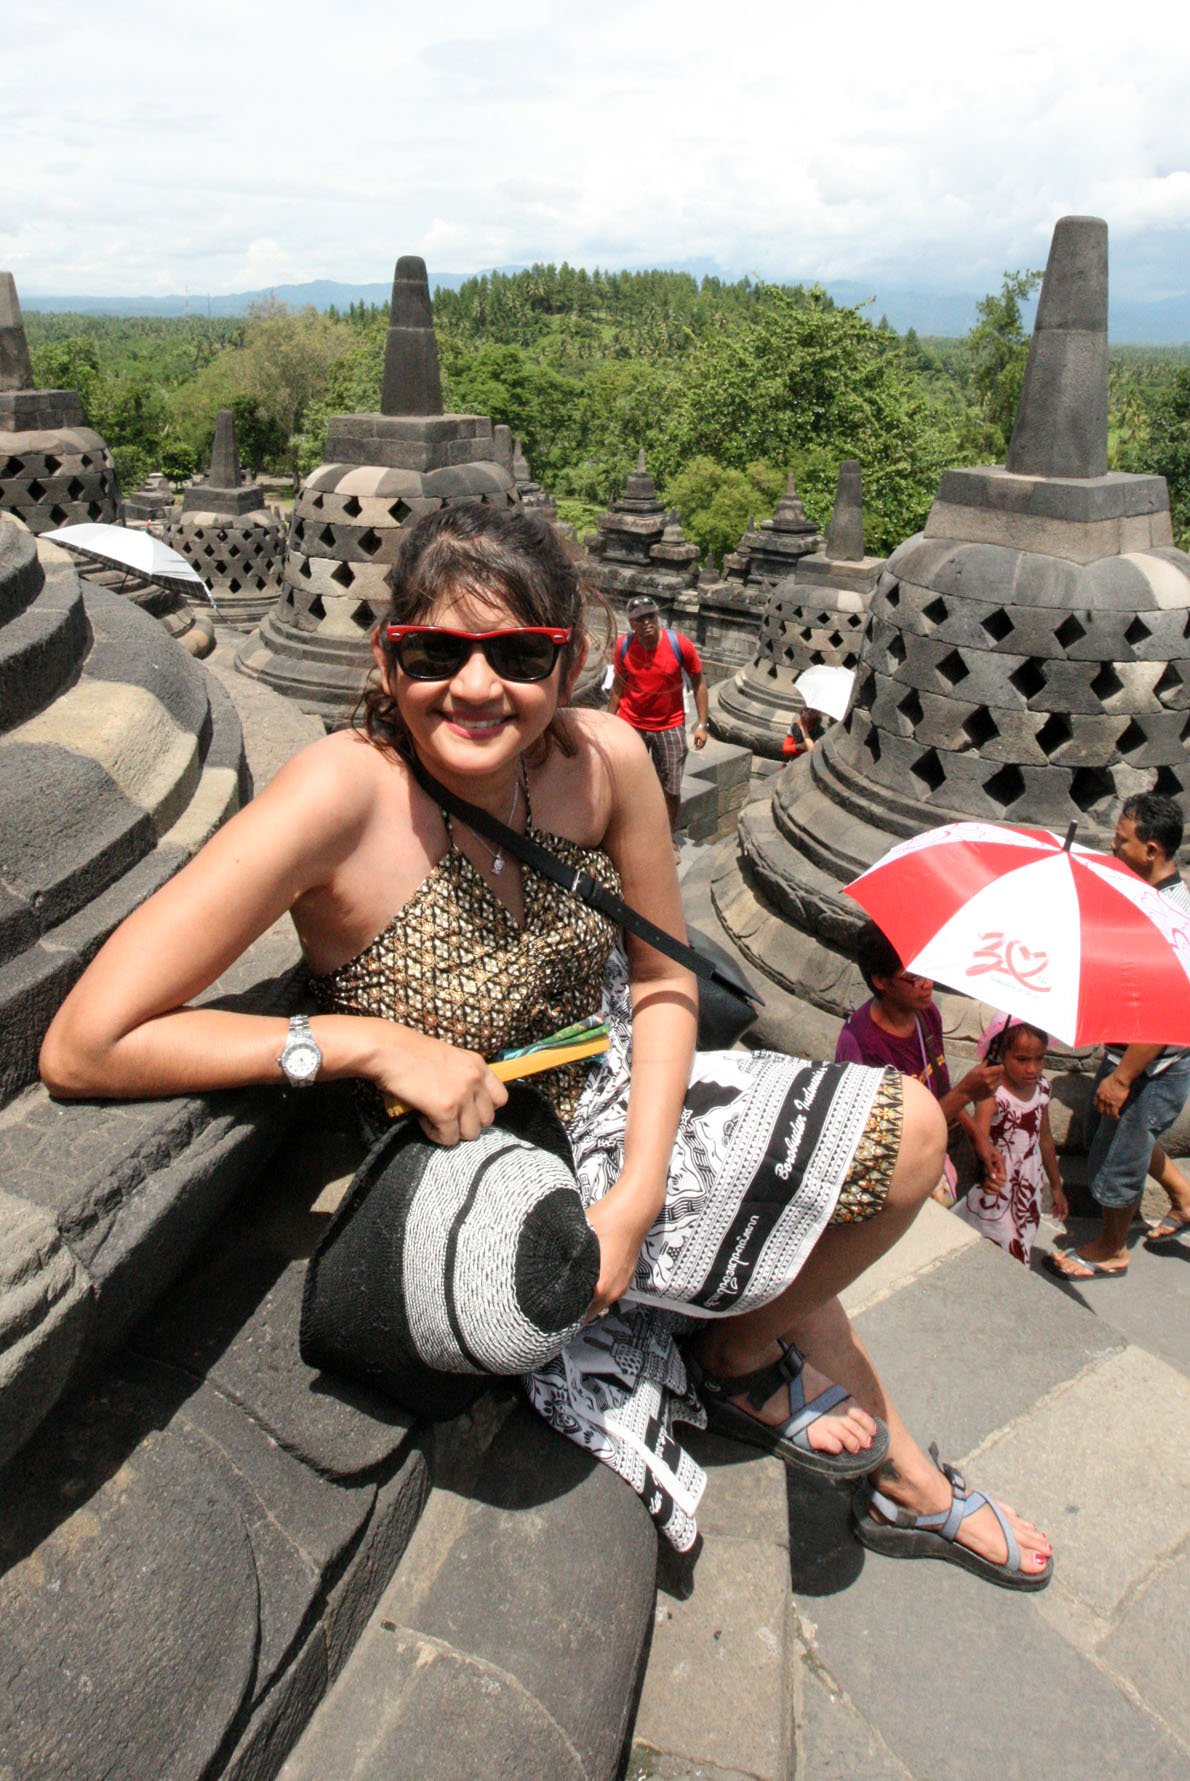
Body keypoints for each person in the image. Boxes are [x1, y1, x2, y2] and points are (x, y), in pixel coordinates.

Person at [40, 504, 1051, 1587]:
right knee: (784, 1233)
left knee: (903, 1144)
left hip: (614, 1094)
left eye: (517, 654)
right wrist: (360, 1043)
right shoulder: (342, 792)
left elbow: (662, 978)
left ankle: (746, 1352)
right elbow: (88, 1043)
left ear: (566, 660)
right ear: (389, 657)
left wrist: (638, 1192)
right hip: (480, 1154)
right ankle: (892, 1467)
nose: (474, 688)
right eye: (435, 651)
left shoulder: (604, 759)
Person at [1047, 793, 1190, 1280]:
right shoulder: (1145, 893)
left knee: (1116, 1158)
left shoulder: (1171, 917)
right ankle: (1184, 1194)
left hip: (1151, 1064)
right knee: (1116, 1129)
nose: (1113, 850)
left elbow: (1166, 1011)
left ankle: (1112, 1248)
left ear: (1151, 851)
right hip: (1130, 1054)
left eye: (1120, 843)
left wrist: (1123, 1077)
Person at [835, 921, 1007, 1202]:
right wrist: (965, 1093)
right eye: (914, 977)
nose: (928, 984)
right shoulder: (862, 1047)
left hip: (943, 1145)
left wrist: (980, 1140)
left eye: (928, 971)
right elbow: (894, 1139)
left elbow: (940, 1089)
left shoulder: (925, 1015)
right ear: (881, 981)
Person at [958, 1014, 1067, 1266]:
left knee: (1021, 1235)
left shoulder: (1042, 1089)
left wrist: (1056, 1185)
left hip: (1027, 1183)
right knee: (1001, 1243)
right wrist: (987, 1175)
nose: (1033, 1068)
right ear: (1000, 1056)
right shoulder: (992, 1095)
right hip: (997, 1183)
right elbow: (980, 1140)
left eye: (1040, 1059)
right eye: (1022, 1060)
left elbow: (1045, 1138)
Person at [607, 594, 708, 831]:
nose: (646, 622)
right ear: (631, 623)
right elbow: (618, 688)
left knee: (671, 788)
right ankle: (629, 831)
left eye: (650, 616)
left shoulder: (679, 645)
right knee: (626, 782)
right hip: (631, 721)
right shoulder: (624, 646)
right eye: (639, 619)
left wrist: (702, 724)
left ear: (657, 616)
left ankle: (667, 835)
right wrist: (609, 722)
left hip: (669, 724)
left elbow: (699, 683)